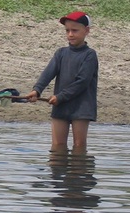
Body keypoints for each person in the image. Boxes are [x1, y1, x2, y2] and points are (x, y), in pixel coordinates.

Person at [26, 11, 98, 152]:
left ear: (87, 31)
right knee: (57, 146)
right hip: (61, 106)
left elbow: (82, 81)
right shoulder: (61, 53)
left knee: (79, 147)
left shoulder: (90, 55)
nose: (70, 34)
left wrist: (60, 96)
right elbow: (48, 73)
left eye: (75, 30)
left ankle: (78, 172)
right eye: (67, 30)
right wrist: (37, 90)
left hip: (81, 107)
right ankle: (57, 172)